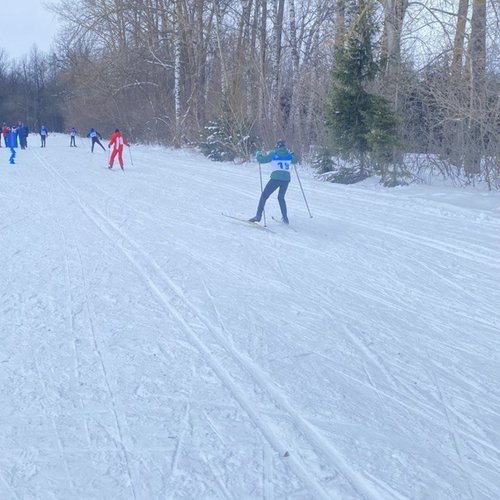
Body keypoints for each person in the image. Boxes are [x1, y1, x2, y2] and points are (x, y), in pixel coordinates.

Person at [249, 140, 297, 224]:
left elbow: (262, 160)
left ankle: (258, 216)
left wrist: (258, 154)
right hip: (286, 180)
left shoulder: (274, 153)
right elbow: (295, 161)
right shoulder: (288, 154)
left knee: (264, 195)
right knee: (281, 198)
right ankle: (285, 218)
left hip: (275, 178)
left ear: (277, 146)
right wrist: (293, 154)